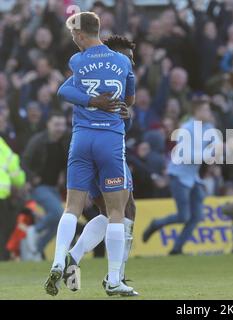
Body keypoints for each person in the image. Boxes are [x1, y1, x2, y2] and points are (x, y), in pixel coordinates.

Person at [44, 12, 136, 297]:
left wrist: (92, 100)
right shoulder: (121, 65)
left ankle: (65, 259)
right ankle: (113, 276)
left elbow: (62, 90)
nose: (132, 61)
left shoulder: (79, 64)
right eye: (130, 56)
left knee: (81, 208)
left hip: (83, 140)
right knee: (122, 212)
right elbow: (127, 105)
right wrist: (123, 109)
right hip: (109, 142)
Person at [142, 97, 222, 255]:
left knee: (197, 216)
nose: (209, 113)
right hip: (178, 176)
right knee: (184, 216)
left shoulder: (209, 128)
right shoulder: (185, 128)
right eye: (206, 110)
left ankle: (177, 249)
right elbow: (185, 155)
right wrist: (209, 154)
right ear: (196, 111)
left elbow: (219, 149)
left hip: (193, 177)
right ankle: (156, 224)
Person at [22, 112, 70, 257]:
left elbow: (67, 162)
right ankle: (34, 230)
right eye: (56, 125)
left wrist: (64, 174)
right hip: (40, 187)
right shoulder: (37, 141)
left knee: (59, 224)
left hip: (54, 188)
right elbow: (23, 161)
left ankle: (36, 248)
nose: (60, 128)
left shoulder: (65, 141)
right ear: (48, 124)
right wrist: (31, 178)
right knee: (58, 214)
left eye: (62, 125)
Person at [0, 137, 26, 261]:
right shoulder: (2, 147)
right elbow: (15, 174)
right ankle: (2, 258)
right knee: (3, 230)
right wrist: (21, 182)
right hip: (2, 194)